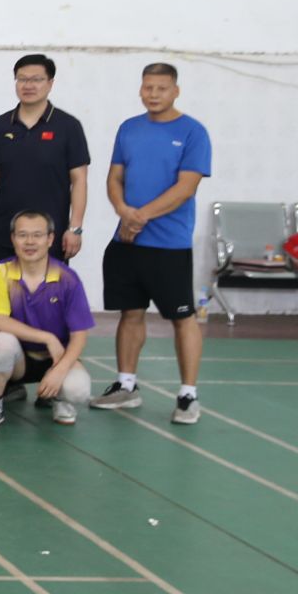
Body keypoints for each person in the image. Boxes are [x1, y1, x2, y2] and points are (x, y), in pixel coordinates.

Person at [96, 63, 212, 423]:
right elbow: (114, 178)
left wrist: (139, 217)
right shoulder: (129, 129)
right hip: (126, 242)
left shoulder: (193, 132)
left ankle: (188, 395)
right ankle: (126, 386)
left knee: (182, 318)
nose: (154, 94)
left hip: (169, 245)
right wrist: (122, 211)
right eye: (148, 87)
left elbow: (186, 187)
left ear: (175, 91)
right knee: (130, 313)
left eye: (161, 88)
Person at [0, 210, 94, 429]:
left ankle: (58, 398)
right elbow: (0, 322)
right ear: (13, 238)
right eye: (22, 235)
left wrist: (59, 371)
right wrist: (48, 338)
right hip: (19, 359)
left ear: (50, 239)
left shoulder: (67, 278)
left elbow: (79, 335)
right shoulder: (0, 272)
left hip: (56, 357)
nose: (30, 242)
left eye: (37, 235)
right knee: (1, 342)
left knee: (78, 389)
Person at [0, 53, 90, 265]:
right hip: (5, 234)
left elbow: (79, 180)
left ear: (50, 83)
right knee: (3, 287)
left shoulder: (68, 126)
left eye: (37, 79)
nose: (28, 85)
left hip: (50, 236)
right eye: (22, 79)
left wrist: (75, 228)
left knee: (49, 287)